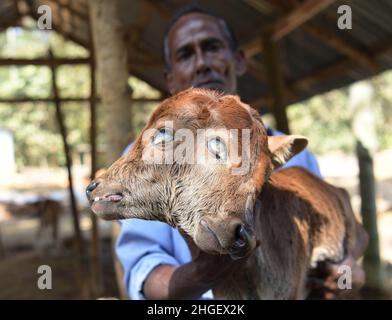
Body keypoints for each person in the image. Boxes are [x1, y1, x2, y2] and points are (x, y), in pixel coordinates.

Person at [115, 6, 361, 300]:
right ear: (170, 79)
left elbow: (339, 227)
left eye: (212, 47)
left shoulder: (293, 152)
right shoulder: (146, 161)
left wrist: (348, 269)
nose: (202, 63)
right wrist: (208, 271)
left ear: (239, 60)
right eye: (186, 54)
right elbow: (145, 273)